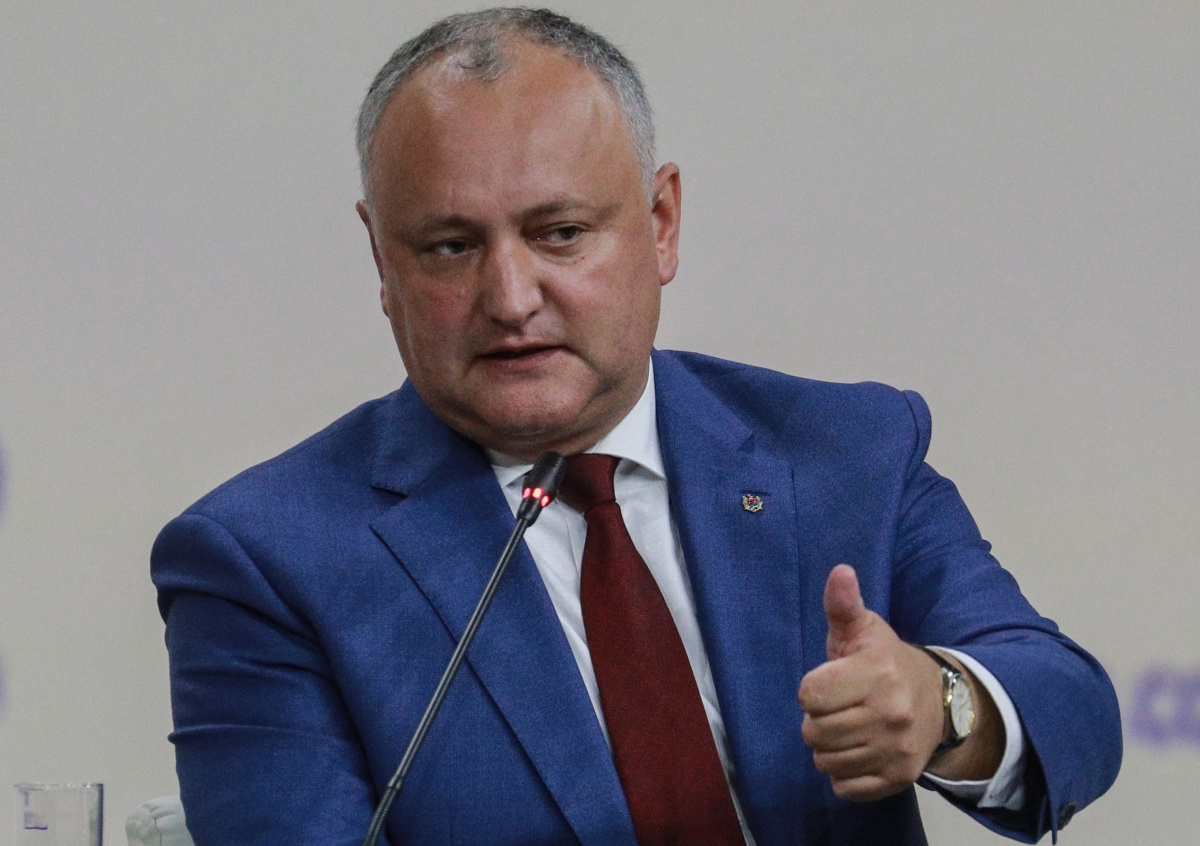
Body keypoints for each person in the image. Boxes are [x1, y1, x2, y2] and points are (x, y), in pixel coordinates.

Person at [152, 8, 1121, 845]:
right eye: (450, 247)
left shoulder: (842, 449)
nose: (510, 297)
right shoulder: (266, 560)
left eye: (560, 233)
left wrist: (942, 706)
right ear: (381, 259)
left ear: (660, 224)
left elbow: (1072, 711)